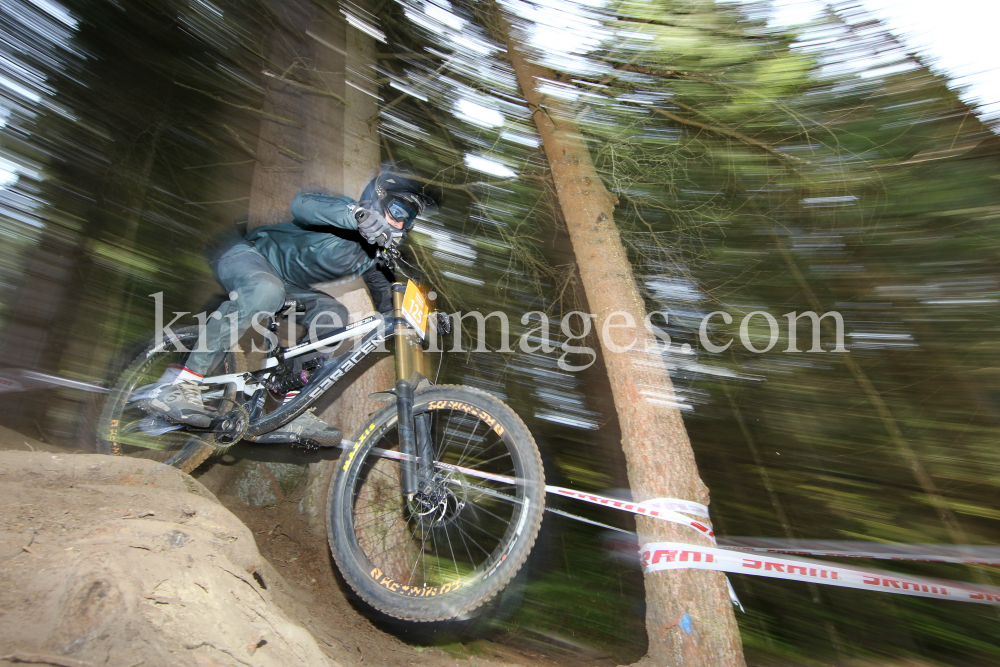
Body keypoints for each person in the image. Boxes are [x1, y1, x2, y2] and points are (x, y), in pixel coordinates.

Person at [138, 168, 439, 446]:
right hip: (247, 256)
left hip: (288, 289)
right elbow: (303, 205)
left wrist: (424, 318)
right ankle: (179, 385)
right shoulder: (344, 212)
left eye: (408, 218)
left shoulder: (374, 256)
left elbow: (390, 306)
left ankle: (290, 406)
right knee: (268, 290)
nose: (400, 223)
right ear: (376, 199)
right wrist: (357, 215)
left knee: (334, 317)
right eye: (397, 211)